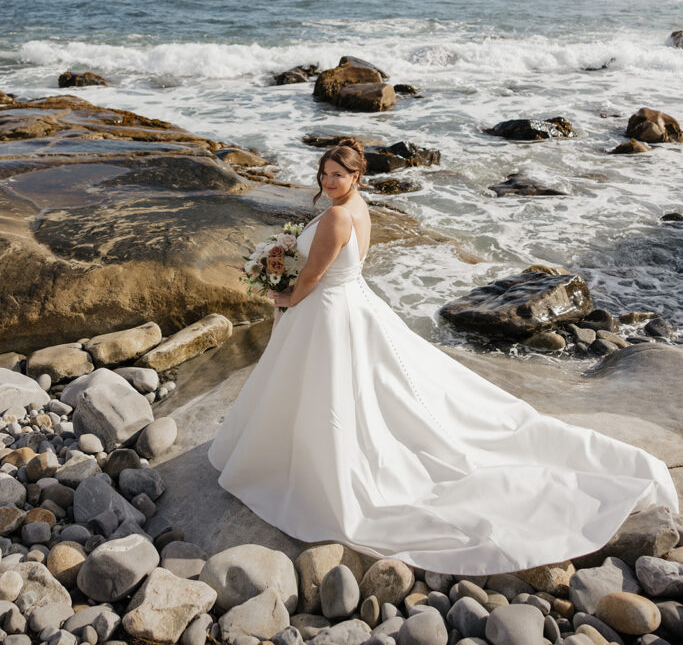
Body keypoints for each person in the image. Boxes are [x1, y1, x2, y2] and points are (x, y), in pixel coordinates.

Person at [207, 137, 679, 576]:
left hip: (330, 311)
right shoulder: (357, 207)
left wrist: (284, 297)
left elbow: (311, 278)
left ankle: (318, 465)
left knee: (330, 393)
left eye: (338, 174)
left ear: (356, 177)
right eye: (325, 173)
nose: (329, 181)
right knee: (361, 390)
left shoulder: (335, 217)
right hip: (354, 304)